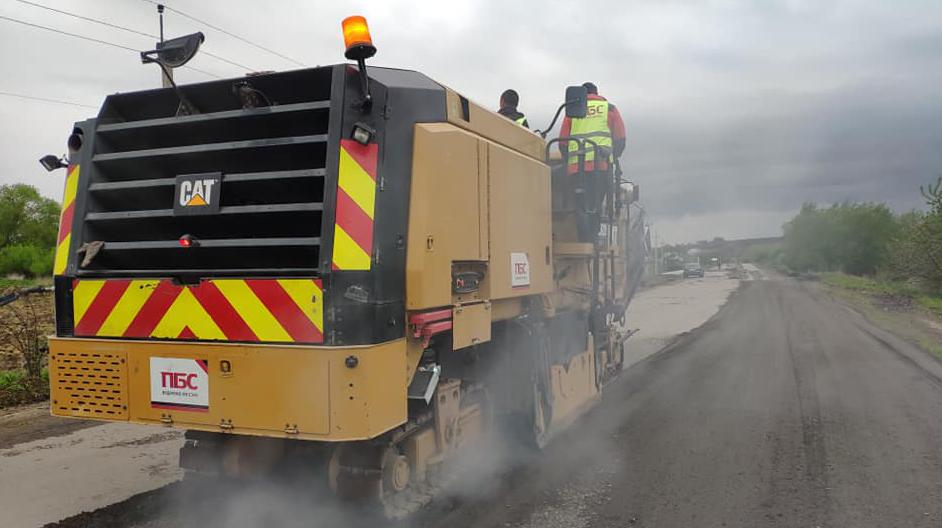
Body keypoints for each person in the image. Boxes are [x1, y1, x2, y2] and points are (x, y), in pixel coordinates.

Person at [559, 82, 626, 174]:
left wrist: (567, 160)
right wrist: (614, 156)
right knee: (602, 189)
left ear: (581, 94)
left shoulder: (572, 111)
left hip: (576, 169)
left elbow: (563, 142)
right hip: (602, 166)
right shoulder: (609, 108)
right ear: (596, 94)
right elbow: (620, 138)